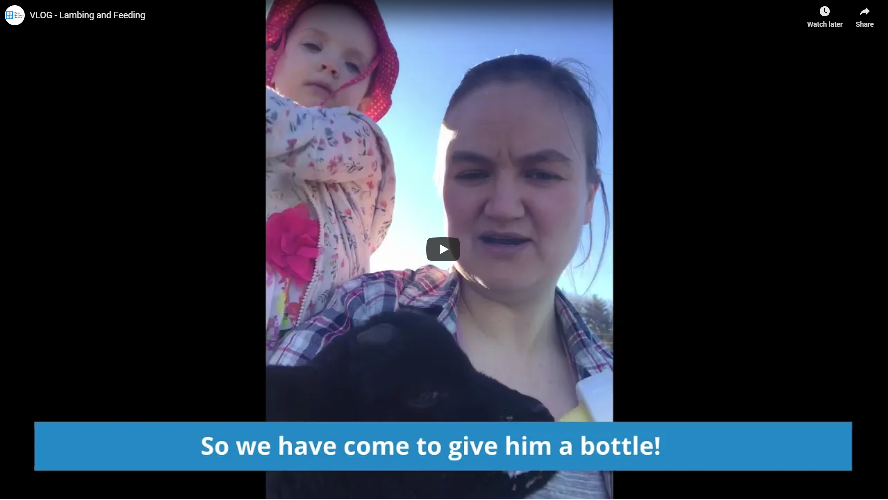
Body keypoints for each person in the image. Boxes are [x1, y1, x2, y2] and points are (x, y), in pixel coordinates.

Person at [268, 54, 614, 499]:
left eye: (541, 174)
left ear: (588, 200)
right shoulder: (363, 311)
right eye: (472, 173)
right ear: (441, 185)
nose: (504, 206)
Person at [264, 0, 399, 361]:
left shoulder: (359, 139)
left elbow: (290, 132)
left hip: (316, 355)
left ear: (366, 98)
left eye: (352, 64)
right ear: (273, 61)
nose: (331, 64)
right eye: (312, 45)